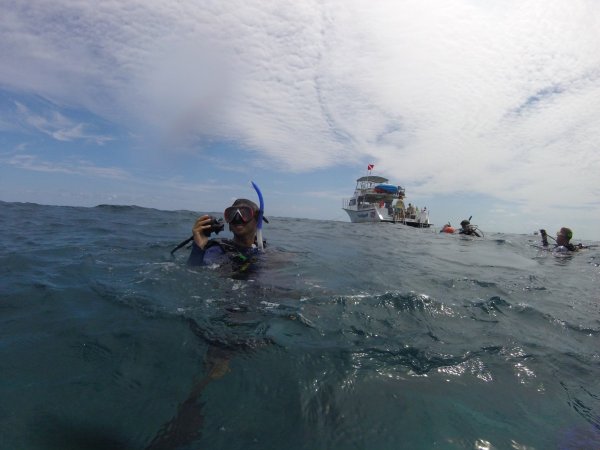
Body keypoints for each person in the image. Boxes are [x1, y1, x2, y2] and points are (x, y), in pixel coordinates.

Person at [187, 198, 265, 275]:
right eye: (231, 214)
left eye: (245, 213)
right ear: (229, 225)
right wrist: (198, 248)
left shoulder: (264, 248)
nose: (237, 218)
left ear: (258, 221)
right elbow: (199, 272)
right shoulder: (218, 250)